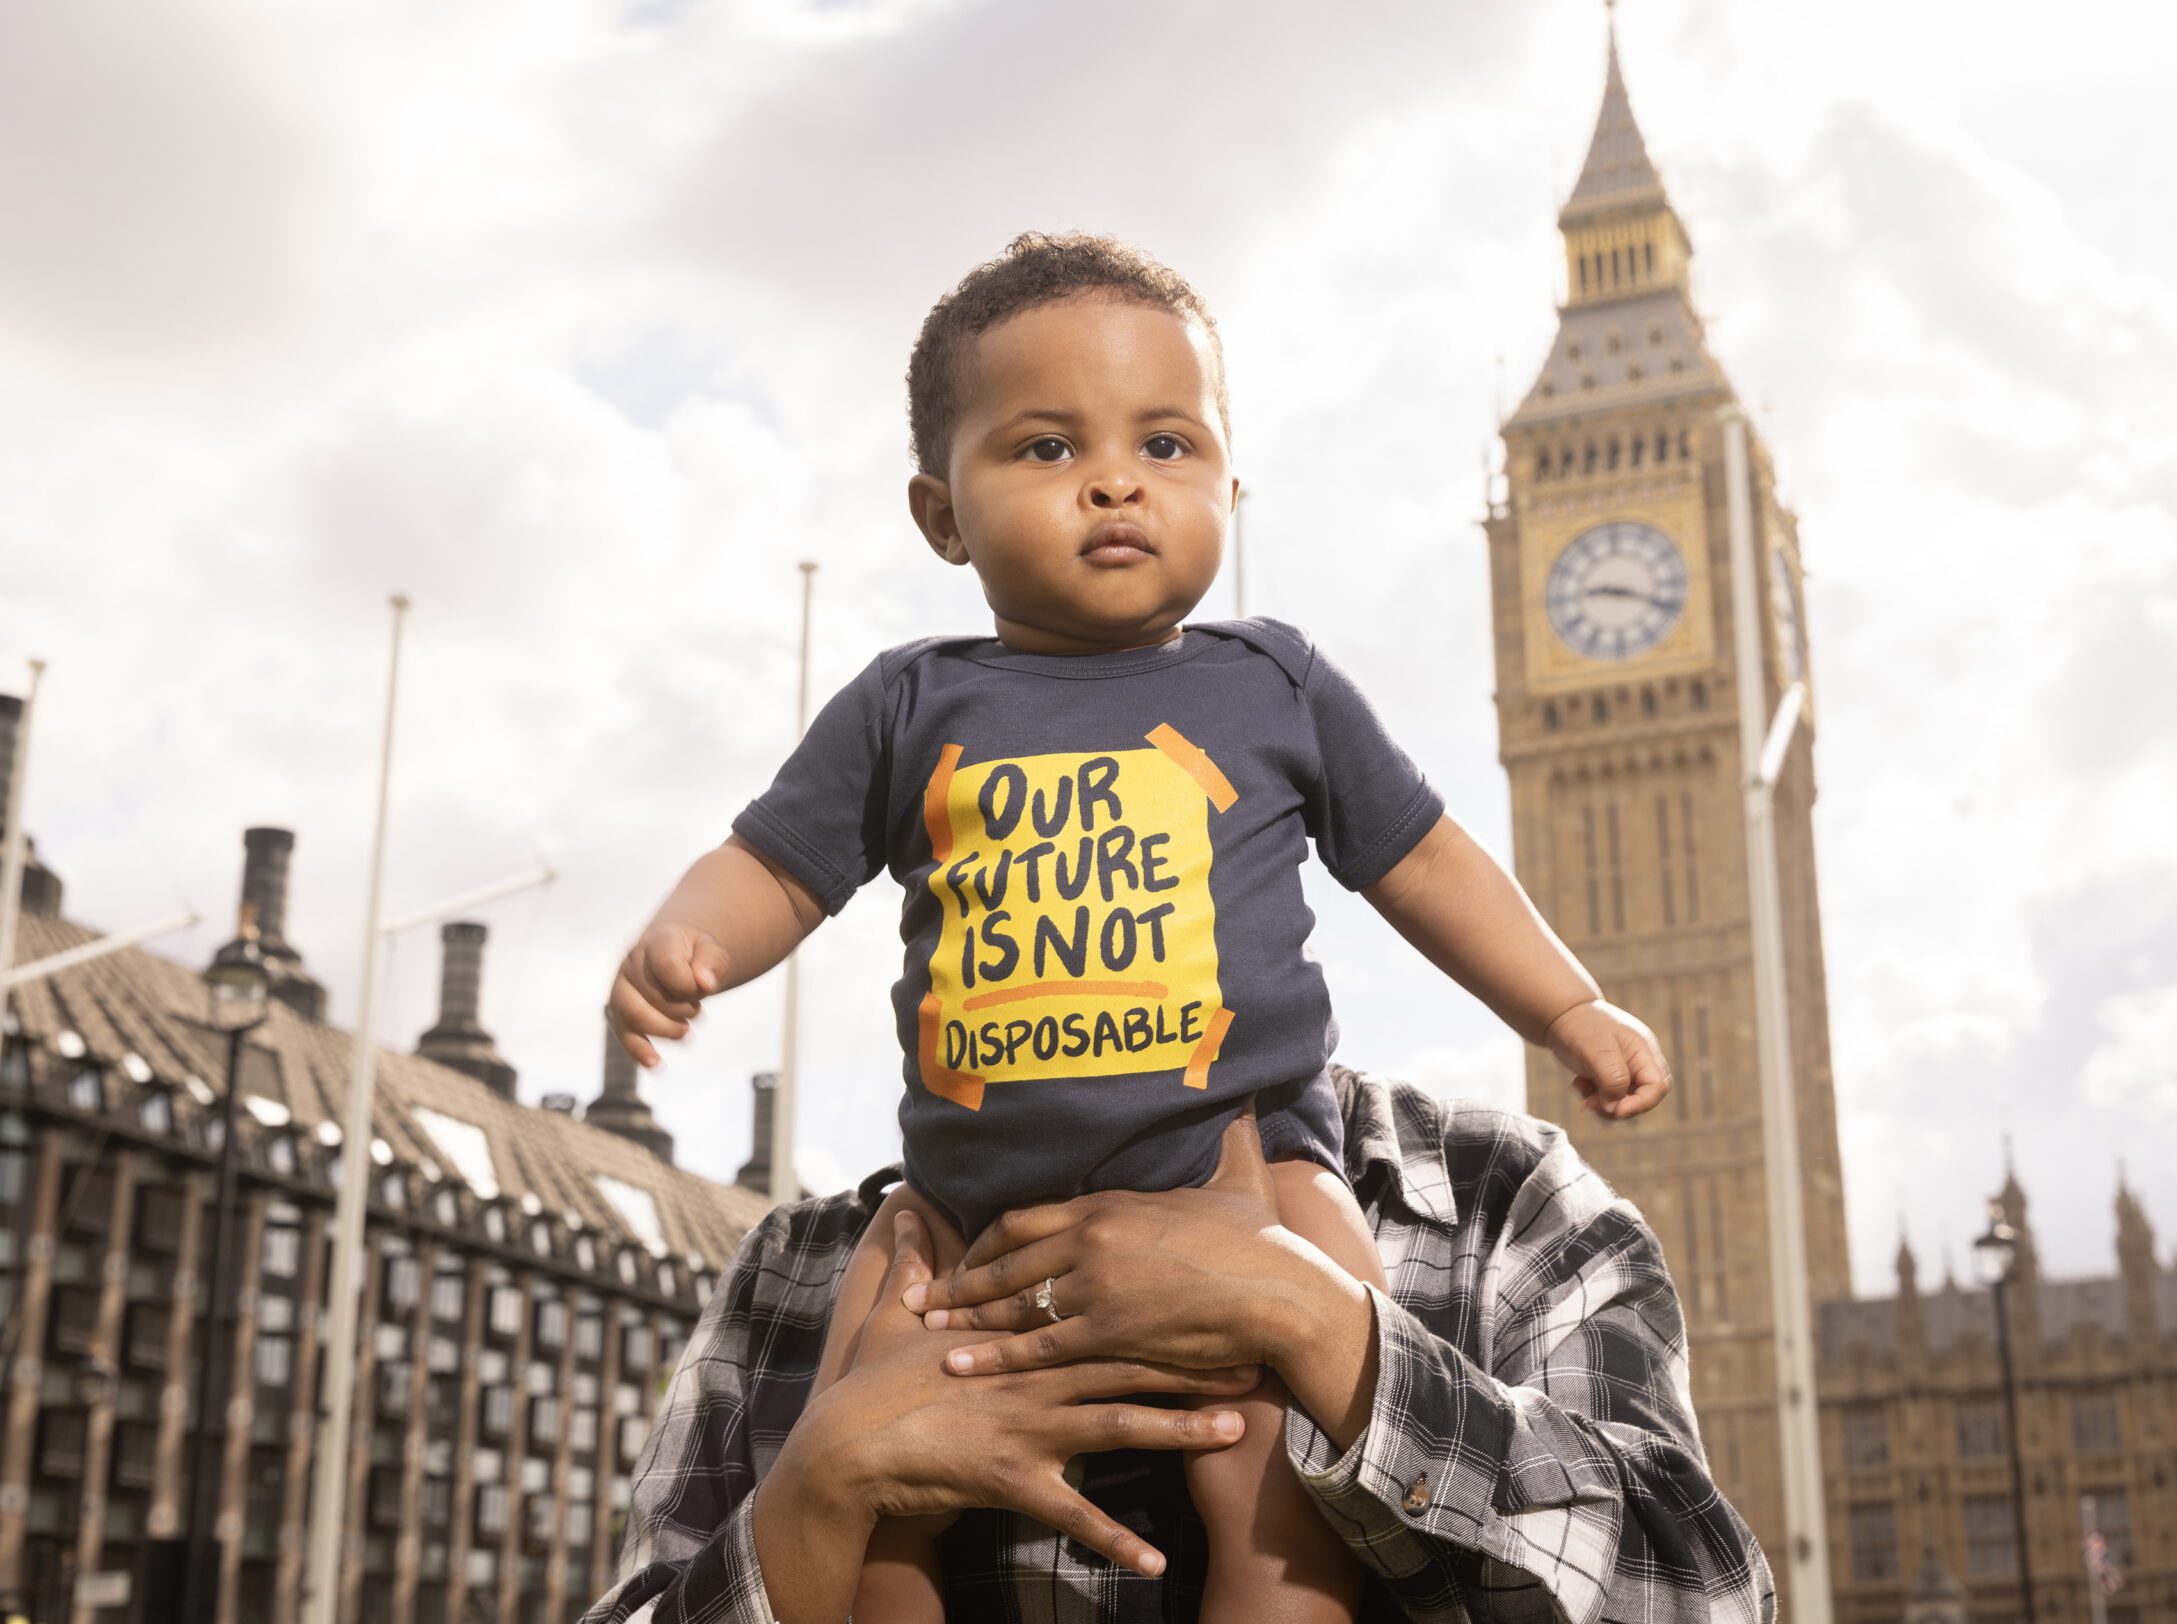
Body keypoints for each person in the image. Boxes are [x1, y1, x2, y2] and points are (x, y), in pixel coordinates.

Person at [605, 232, 1676, 1621]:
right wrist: (688, 943)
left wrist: (1566, 1005)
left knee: (1286, 1501)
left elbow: (1426, 861)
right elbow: (771, 864)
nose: (1114, 479)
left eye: (1165, 444)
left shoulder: (1275, 685)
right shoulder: (902, 704)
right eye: (1046, 449)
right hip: (959, 1222)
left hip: (1241, 1178)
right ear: (941, 515)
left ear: (1230, 484)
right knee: (868, 1484)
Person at [579, 1066, 1776, 1624]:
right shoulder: (804, 1270)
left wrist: (1329, 1336)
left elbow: (1709, 1601)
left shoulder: (1495, 1204)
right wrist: (818, 1500)